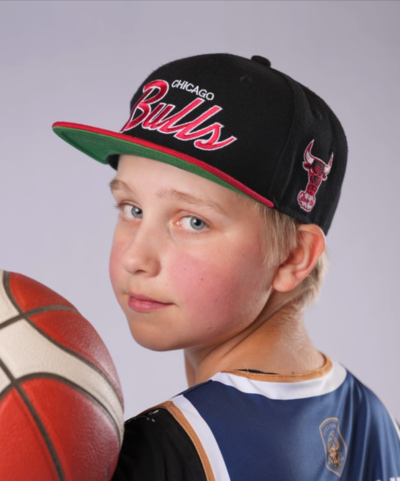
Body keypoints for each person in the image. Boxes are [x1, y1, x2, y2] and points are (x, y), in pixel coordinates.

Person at [52, 53, 400, 480]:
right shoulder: (380, 426)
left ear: (293, 256)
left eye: (193, 221)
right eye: (132, 209)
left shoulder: (158, 457)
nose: (134, 258)